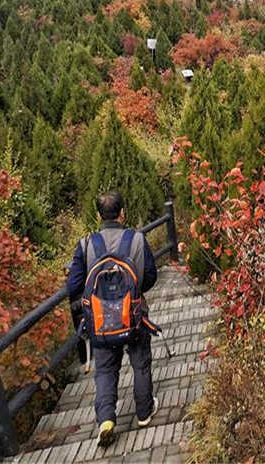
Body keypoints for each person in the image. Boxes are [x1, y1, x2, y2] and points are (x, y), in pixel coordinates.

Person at [66, 190, 159, 447]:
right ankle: (144, 412)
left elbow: (73, 286)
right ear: (123, 213)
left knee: (105, 369)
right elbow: (151, 276)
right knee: (140, 363)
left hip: (100, 320)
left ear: (98, 216)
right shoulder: (137, 240)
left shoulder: (86, 245)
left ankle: (106, 419)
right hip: (134, 315)